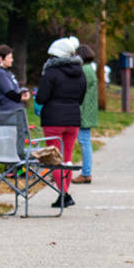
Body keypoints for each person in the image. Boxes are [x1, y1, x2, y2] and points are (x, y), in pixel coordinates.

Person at [34, 36, 86, 207]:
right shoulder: (80, 73)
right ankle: (65, 193)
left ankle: (64, 194)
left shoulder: (51, 73)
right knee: (68, 158)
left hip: (53, 120)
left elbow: (41, 98)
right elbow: (81, 97)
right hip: (73, 119)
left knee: (55, 158)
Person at [73, 44, 98, 184]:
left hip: (83, 110)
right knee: (85, 141)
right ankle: (86, 172)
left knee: (84, 141)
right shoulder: (90, 68)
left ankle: (86, 172)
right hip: (89, 110)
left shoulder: (82, 70)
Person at [0, 44, 31, 113]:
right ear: (0, 59)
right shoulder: (0, 74)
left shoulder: (7, 73)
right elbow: (10, 93)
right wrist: (23, 97)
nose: (12, 60)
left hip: (16, 111)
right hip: (10, 113)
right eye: (10, 58)